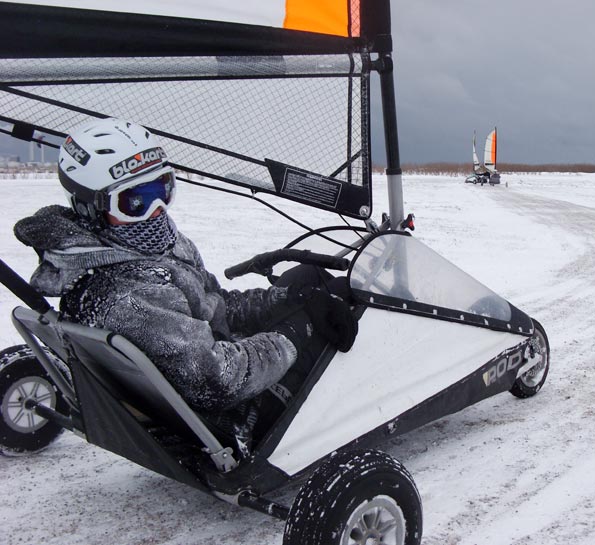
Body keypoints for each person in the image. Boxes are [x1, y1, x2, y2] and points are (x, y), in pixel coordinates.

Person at [13, 118, 357, 453]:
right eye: (135, 202)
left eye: (162, 190)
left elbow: (216, 304)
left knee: (307, 280)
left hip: (210, 365)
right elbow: (220, 380)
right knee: (338, 311)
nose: (155, 211)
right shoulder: (130, 294)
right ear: (91, 208)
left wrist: (288, 299)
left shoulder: (148, 248)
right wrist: (301, 326)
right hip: (238, 413)